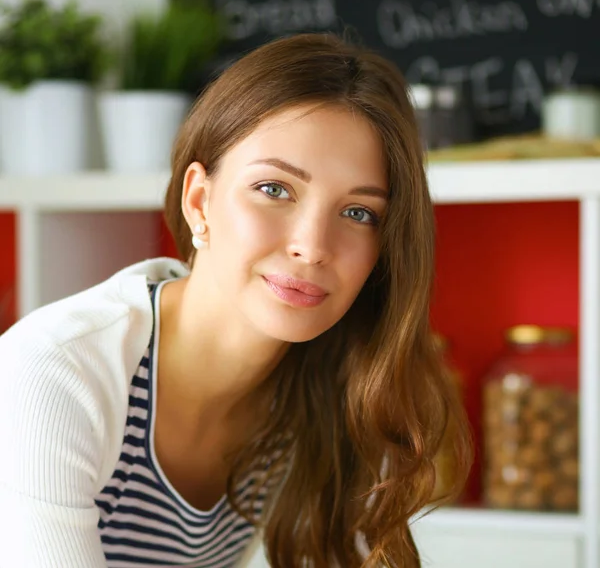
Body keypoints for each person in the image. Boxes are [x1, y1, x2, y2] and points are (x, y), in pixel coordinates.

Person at [0, 33, 472, 568]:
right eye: (274, 189)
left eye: (358, 213)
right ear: (199, 201)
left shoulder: (328, 388)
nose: (312, 247)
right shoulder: (55, 372)